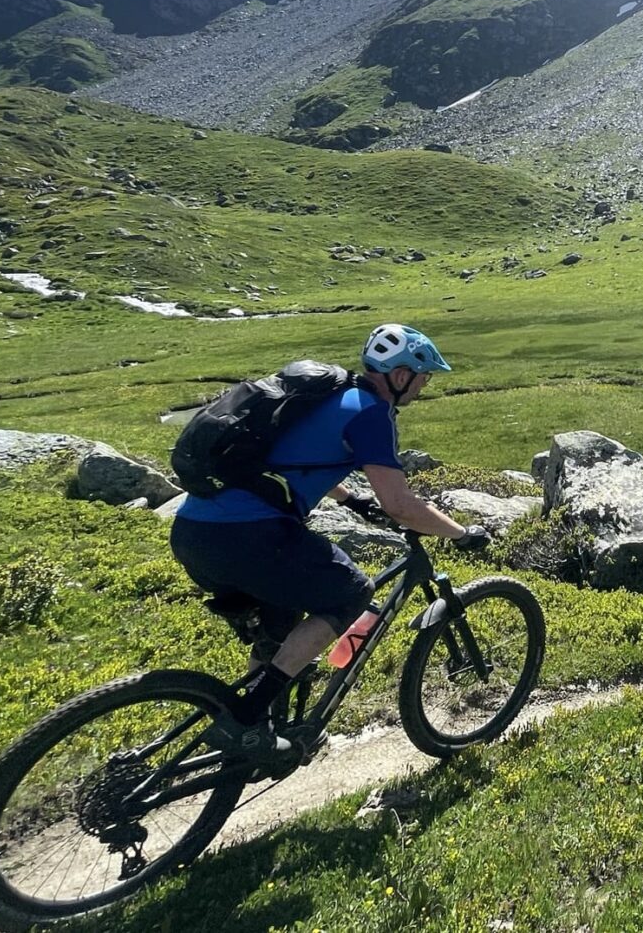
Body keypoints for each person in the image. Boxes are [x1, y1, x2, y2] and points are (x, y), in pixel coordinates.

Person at [169, 323, 488, 764]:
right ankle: (245, 719)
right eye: (423, 376)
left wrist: (351, 497)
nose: (424, 386)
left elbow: (294, 454)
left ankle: (256, 737)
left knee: (278, 629)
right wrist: (461, 532)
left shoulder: (331, 395)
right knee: (352, 591)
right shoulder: (372, 413)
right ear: (400, 377)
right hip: (247, 535)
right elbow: (399, 504)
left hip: (195, 532)